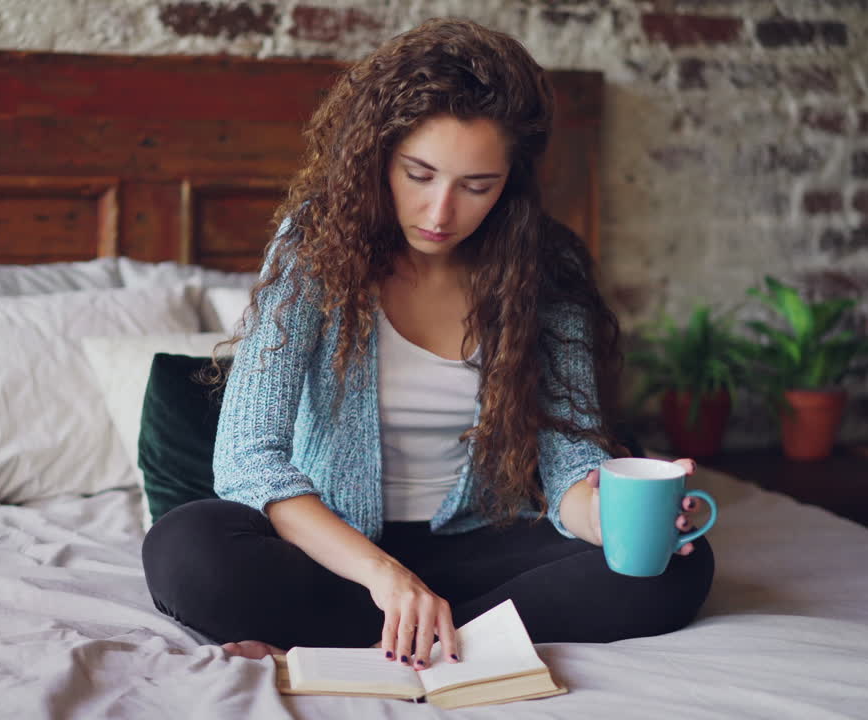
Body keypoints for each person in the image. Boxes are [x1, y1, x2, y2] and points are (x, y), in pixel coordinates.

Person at [142, 17, 714, 670]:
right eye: (419, 174)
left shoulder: (546, 269)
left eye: (477, 187)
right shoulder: (315, 248)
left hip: (483, 543)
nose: (441, 213)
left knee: (676, 570)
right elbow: (249, 460)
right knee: (188, 549)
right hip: (338, 551)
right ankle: (455, 632)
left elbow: (568, 468)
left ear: (511, 182)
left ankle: (402, 633)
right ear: (378, 154)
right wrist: (388, 579)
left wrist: (614, 523)